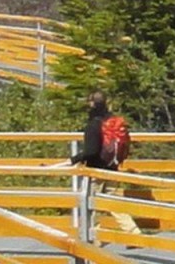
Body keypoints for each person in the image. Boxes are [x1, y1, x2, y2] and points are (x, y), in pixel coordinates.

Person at [66, 91, 142, 238]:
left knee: (90, 203)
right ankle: (133, 233)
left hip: (96, 171)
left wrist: (73, 160)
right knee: (113, 202)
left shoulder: (93, 125)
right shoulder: (113, 122)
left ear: (92, 104)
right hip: (112, 167)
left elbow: (91, 151)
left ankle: (93, 237)